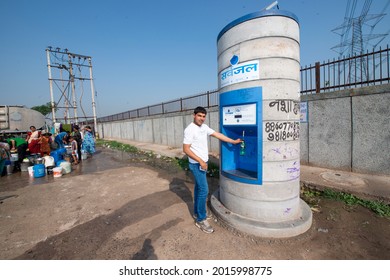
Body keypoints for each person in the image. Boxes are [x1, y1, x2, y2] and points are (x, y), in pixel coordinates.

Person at [183, 106, 241, 234]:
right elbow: (186, 149)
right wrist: (201, 161)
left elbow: (217, 134)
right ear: (194, 115)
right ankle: (201, 219)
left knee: (199, 188)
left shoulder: (204, 127)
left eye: (203, 116)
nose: (202, 118)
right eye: (199, 116)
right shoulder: (190, 129)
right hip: (197, 164)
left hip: (203, 163)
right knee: (204, 190)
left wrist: (233, 141)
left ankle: (197, 213)